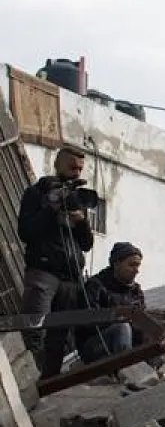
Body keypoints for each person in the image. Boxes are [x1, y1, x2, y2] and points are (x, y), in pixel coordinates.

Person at [17, 146, 94, 376]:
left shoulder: (75, 198)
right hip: (43, 271)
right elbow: (26, 232)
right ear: (58, 164)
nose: (77, 173)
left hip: (71, 276)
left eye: (80, 168)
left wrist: (81, 221)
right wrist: (51, 208)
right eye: (72, 167)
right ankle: (27, 382)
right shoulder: (36, 194)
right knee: (33, 329)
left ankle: (49, 384)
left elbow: (87, 244)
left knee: (59, 336)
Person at [78, 242, 146, 365]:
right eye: (131, 265)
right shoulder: (95, 286)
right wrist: (122, 318)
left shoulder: (136, 291)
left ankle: (155, 370)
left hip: (129, 342)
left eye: (138, 265)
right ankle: (128, 372)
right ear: (116, 264)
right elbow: (88, 323)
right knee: (122, 328)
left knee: (163, 326)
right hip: (96, 345)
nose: (136, 271)